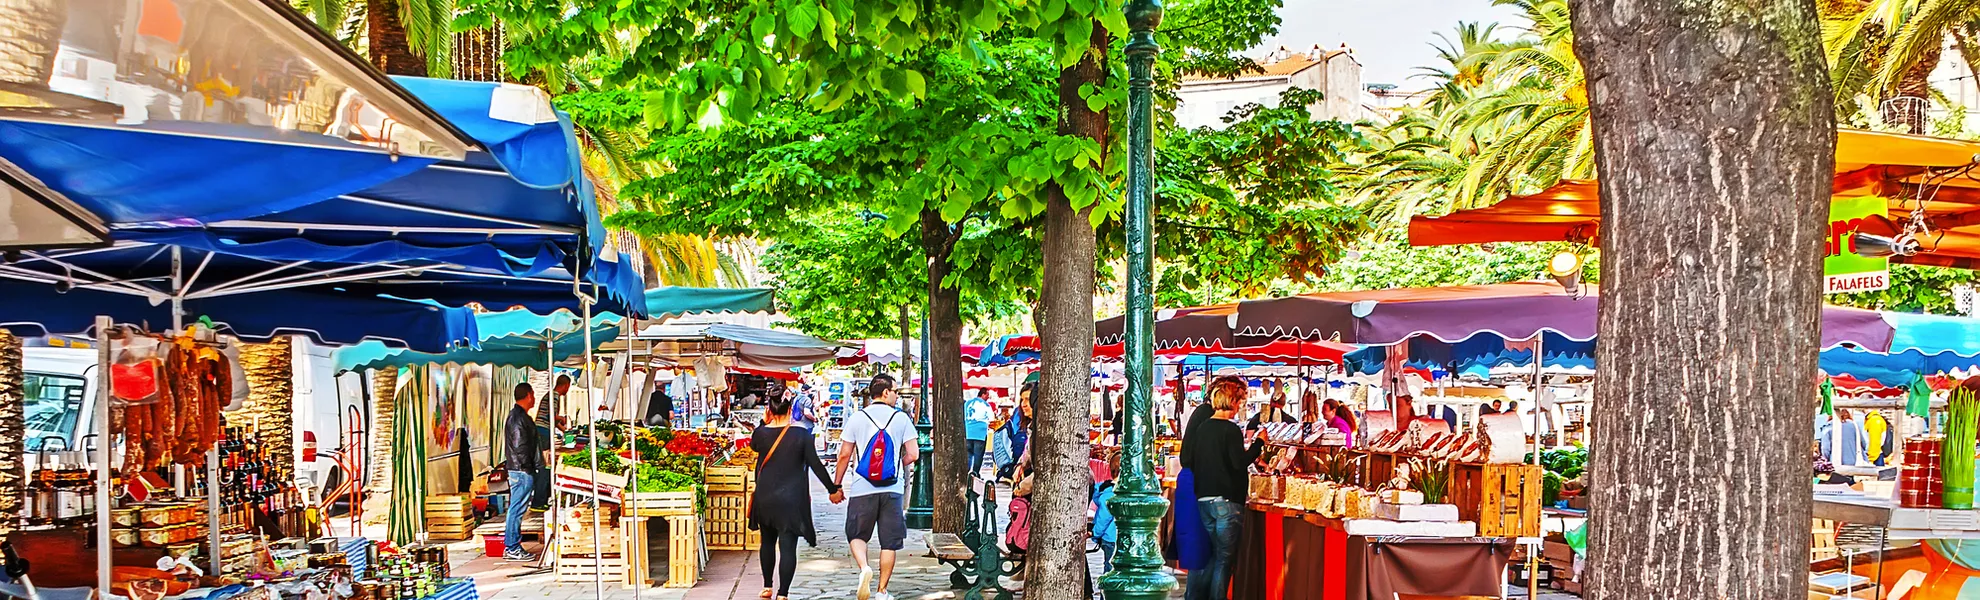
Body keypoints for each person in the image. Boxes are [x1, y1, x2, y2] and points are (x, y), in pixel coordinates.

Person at [833, 376, 919, 600]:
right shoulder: (901, 419)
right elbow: (914, 454)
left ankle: (864, 568)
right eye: (895, 391)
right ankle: (882, 591)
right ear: (885, 393)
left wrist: (837, 484)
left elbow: (843, 455)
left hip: (863, 487)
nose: (897, 396)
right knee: (889, 542)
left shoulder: (857, 418)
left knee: (857, 534)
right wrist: (897, 465)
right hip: (892, 489)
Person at [750, 389, 841, 600]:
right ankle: (783, 593)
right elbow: (816, 465)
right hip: (791, 500)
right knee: (788, 546)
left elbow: (754, 446)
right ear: (791, 409)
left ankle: (767, 586)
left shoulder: (760, 434)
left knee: (767, 542)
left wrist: (764, 423)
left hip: (765, 497)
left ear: (769, 409)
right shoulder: (801, 435)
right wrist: (832, 489)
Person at [1180, 376, 1264, 600]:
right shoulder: (1230, 430)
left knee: (1212, 556)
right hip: (1227, 501)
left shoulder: (1203, 428)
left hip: (1204, 500)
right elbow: (1238, 463)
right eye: (1239, 402)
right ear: (1232, 401)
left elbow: (1194, 460)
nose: (1240, 407)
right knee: (1224, 559)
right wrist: (1259, 444)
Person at [502, 382, 543, 562]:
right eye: (533, 395)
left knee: (517, 508)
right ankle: (511, 546)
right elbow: (520, 447)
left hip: (520, 469)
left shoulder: (519, 416)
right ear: (528, 395)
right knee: (516, 509)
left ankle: (512, 545)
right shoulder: (518, 419)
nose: (534, 398)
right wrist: (528, 467)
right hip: (521, 471)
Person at [532, 374, 572, 510]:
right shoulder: (554, 396)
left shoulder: (551, 395)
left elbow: (551, 420)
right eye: (568, 387)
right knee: (545, 466)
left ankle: (542, 499)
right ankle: (538, 501)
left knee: (546, 466)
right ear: (565, 385)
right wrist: (562, 419)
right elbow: (551, 416)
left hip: (543, 431)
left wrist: (564, 429)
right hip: (542, 433)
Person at [965, 389, 995, 477]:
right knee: (978, 455)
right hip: (980, 434)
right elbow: (991, 419)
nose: (988, 397)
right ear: (983, 394)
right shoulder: (985, 405)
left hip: (968, 432)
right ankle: (975, 473)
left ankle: (966, 473)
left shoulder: (968, 403)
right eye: (987, 395)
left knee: (968, 454)